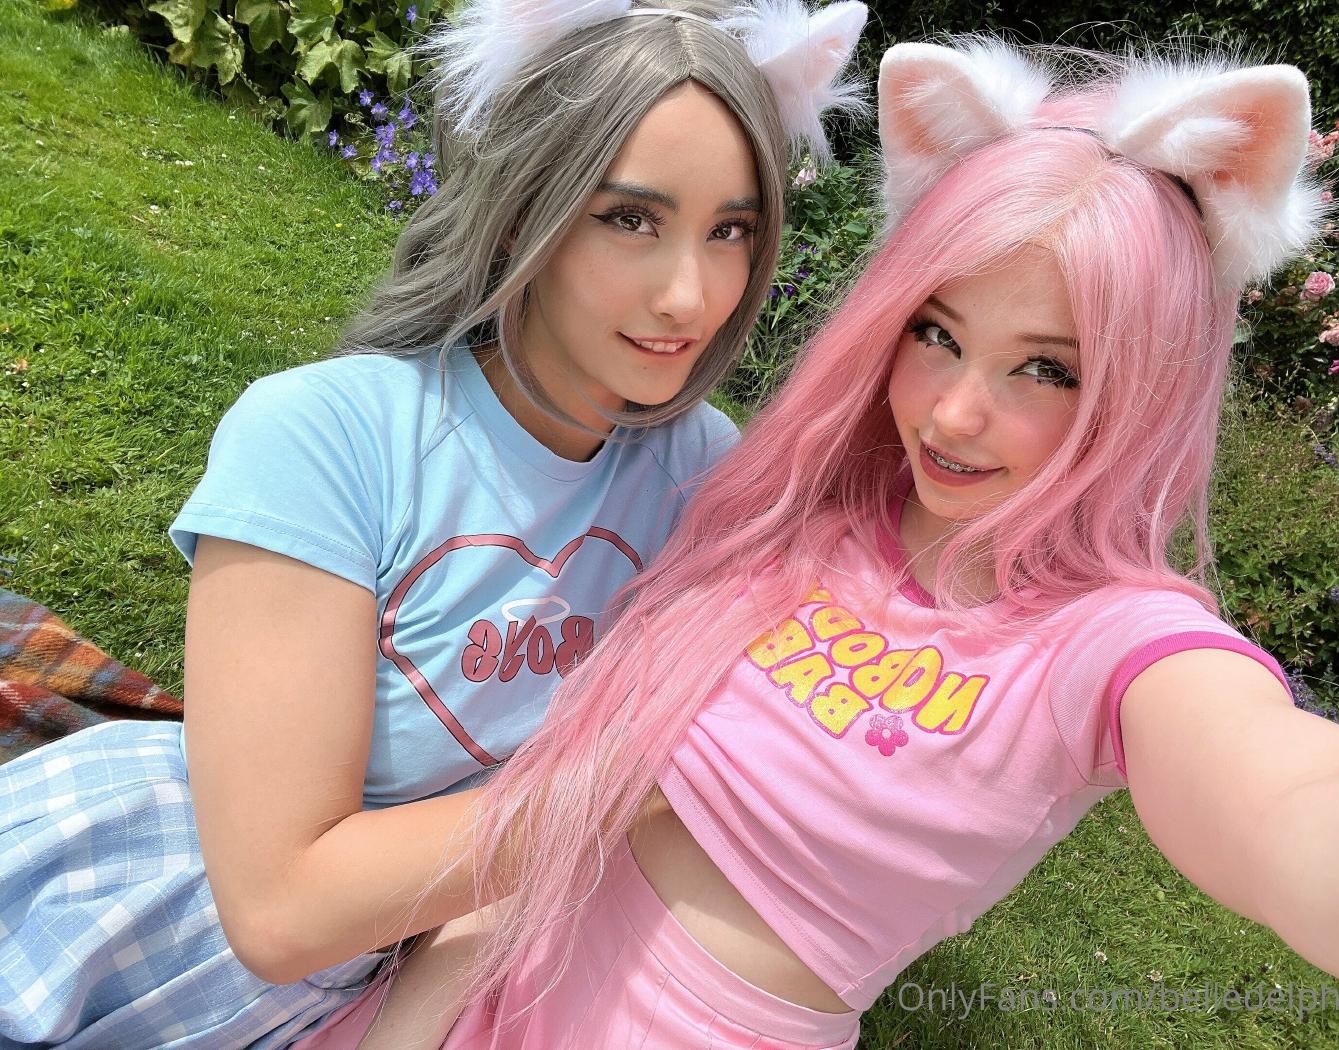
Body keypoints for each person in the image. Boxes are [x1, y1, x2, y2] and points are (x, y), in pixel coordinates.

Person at [293, 35, 1339, 1050]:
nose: (953, 414)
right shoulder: (787, 515)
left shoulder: (1111, 643)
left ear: (1141, 390)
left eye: (1045, 369)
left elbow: (1292, 804)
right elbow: (565, 805)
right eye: (936, 333)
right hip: (466, 981)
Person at [0, 1, 869, 1047]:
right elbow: (279, 911)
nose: (690, 294)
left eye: (730, 231)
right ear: (519, 211)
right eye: (629, 218)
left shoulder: (701, 474)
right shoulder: (325, 436)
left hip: (399, 970)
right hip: (130, 923)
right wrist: (660, 778)